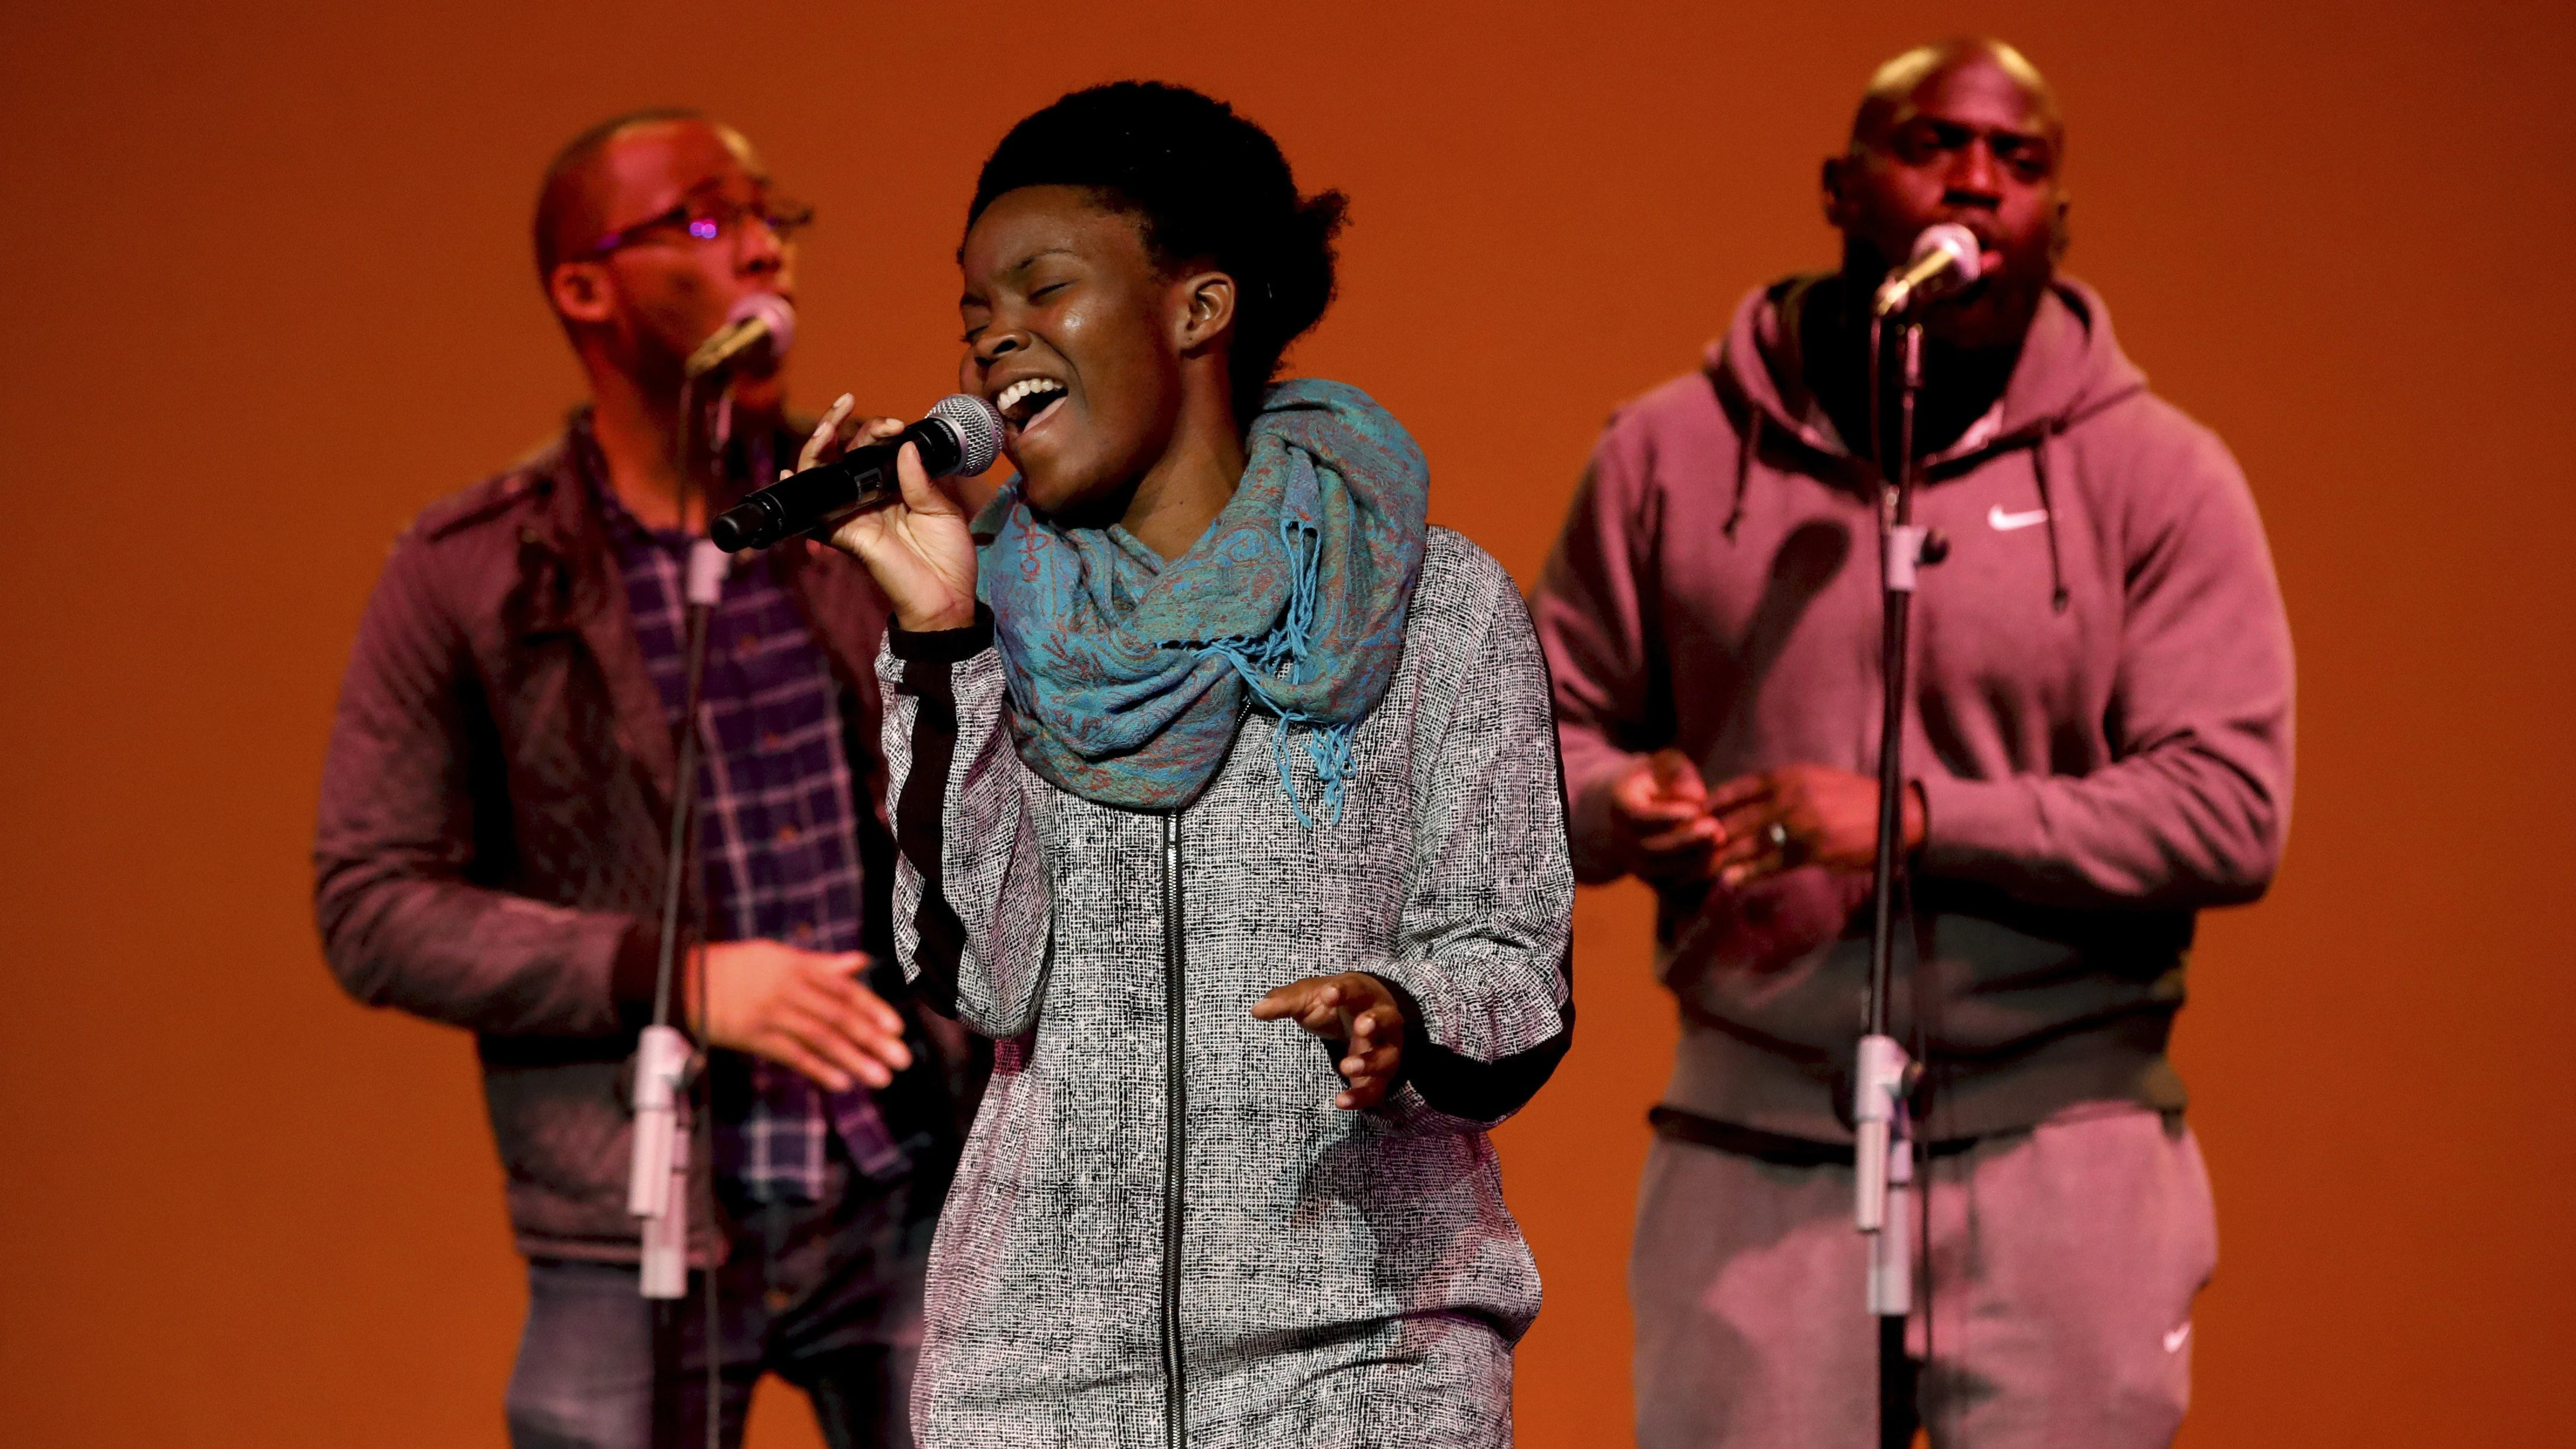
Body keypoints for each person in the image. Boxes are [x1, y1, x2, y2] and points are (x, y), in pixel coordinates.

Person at [1532, 39, 2294, 1448]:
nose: (1979, 183)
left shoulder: (2160, 474)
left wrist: (1913, 817)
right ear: (1842, 188)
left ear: (2060, 218)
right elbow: (1539, 737)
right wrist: (1609, 804)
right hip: (1757, 1133)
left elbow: (2228, 807)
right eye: (1935, 144)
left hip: (2064, 1146)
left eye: (2022, 161)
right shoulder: (1665, 451)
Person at [818, 82, 1574, 1448]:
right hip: (1036, 1377)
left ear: (1199, 309)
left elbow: (1518, 964)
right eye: (975, 313)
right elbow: (978, 971)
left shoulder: (1436, 604)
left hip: (1367, 1357)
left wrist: (1405, 1011)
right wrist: (939, 641)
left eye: (1043, 289)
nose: (996, 339)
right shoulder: (986, 620)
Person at [313, 109, 972, 1449]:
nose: (768, 252)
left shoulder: (856, 510)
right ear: (584, 285)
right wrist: (678, 976)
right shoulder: (477, 569)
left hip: (909, 1180)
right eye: (715, 222)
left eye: (776, 218)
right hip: (641, 1214)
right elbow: (372, 900)